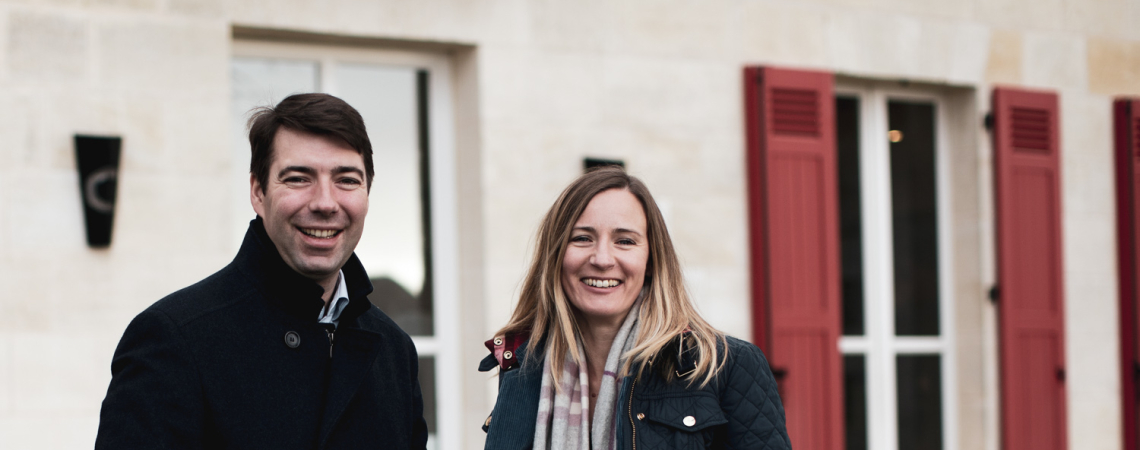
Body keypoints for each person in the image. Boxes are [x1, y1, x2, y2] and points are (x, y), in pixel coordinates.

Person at [95, 93, 428, 449]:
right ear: (258, 192)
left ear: (366, 193)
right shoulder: (173, 339)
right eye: (299, 178)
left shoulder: (395, 353)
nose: (325, 203)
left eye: (346, 180)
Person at [479, 166, 791, 450]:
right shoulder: (522, 366)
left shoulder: (726, 366)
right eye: (582, 238)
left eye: (625, 241)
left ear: (652, 259)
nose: (602, 259)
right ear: (556, 256)